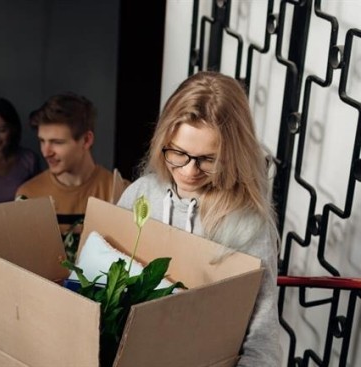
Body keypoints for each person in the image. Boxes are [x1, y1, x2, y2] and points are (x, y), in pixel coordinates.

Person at [116, 71, 281, 366]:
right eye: (178, 153)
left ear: (233, 154)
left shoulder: (247, 224)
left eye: (208, 159)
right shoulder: (141, 194)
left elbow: (262, 338)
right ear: (163, 139)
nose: (190, 171)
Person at [15, 93, 128, 259]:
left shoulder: (119, 192)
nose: (46, 152)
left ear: (86, 140)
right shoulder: (28, 195)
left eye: (57, 142)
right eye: (42, 141)